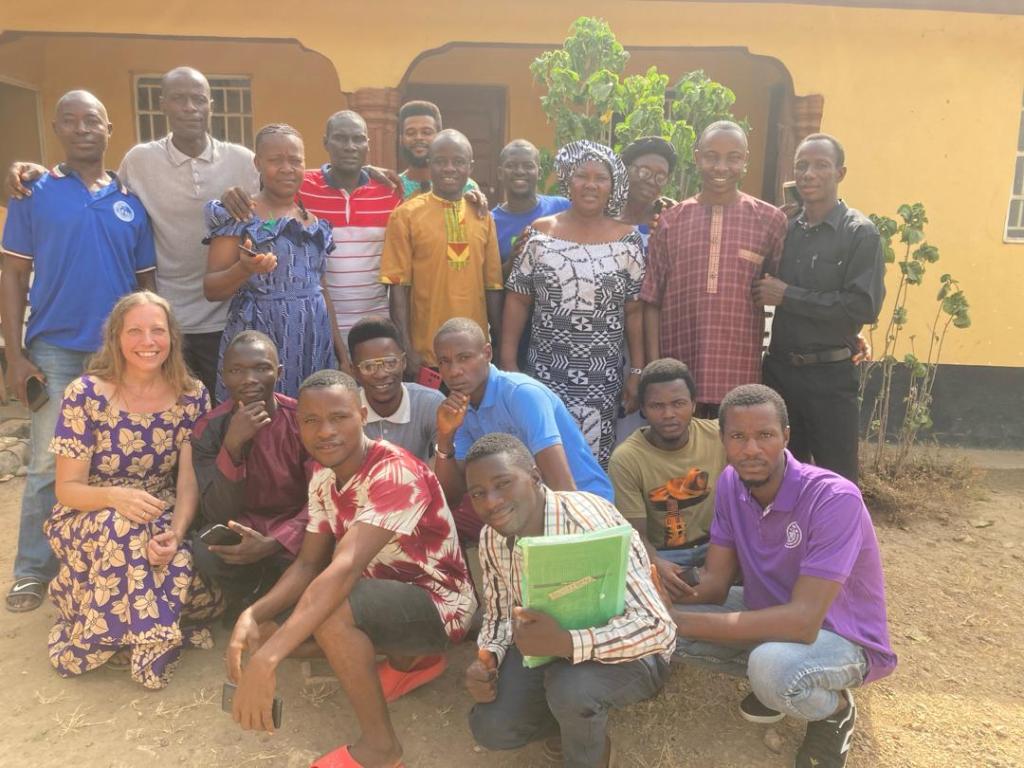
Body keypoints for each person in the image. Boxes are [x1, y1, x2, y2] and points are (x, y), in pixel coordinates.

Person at [226, 370, 476, 768]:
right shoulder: (324, 476)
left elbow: (342, 570)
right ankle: (411, 661)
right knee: (274, 630)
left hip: (440, 605)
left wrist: (268, 659)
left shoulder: (394, 472)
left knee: (330, 615)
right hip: (381, 593)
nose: (325, 431)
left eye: (339, 417)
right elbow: (308, 563)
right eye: (311, 420)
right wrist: (253, 615)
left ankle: (381, 749)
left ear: (361, 415)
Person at [670, 384, 896, 768]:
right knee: (656, 627)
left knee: (771, 668)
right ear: (722, 440)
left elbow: (803, 622)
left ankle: (833, 709)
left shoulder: (833, 498)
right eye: (738, 437)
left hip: (841, 634)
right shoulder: (730, 483)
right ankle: (777, 679)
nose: (751, 449)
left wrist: (679, 619)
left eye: (765, 435)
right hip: (771, 612)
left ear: (786, 436)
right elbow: (716, 583)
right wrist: (654, 595)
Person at [4, 68, 260, 398]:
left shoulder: (243, 162)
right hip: (162, 324)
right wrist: (40, 176)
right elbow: (97, 189)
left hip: (226, 317)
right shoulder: (139, 161)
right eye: (178, 99)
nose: (189, 108)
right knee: (166, 417)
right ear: (163, 104)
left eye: (198, 99)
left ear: (210, 105)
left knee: (221, 414)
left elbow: (273, 207)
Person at [1, 90, 157, 613]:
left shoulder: (131, 203)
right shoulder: (34, 192)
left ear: (109, 128)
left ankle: (92, 562)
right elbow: (13, 275)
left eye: (92, 120)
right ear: (57, 130)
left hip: (121, 354)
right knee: (49, 462)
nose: (82, 128)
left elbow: (146, 286)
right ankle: (31, 570)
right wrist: (15, 354)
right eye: (70, 121)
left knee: (116, 461)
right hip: (55, 351)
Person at [463, 433, 675, 767]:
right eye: (478, 493)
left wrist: (568, 643)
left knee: (572, 690)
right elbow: (500, 614)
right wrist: (488, 657)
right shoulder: (493, 536)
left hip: (630, 654)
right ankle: (572, 721)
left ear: (535, 477)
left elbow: (657, 628)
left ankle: (589, 751)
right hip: (545, 650)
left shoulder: (591, 523)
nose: (491, 502)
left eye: (503, 484)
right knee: (492, 729)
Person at [45, 291, 222, 688]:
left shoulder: (192, 395)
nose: (148, 342)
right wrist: (114, 497)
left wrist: (175, 532)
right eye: (135, 331)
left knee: (174, 559)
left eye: (157, 330)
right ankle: (150, 645)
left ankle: (123, 634)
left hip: (158, 510)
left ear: (172, 336)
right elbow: (67, 489)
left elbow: (187, 482)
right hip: (89, 512)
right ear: (116, 338)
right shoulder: (84, 395)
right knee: (119, 528)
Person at [501, 140, 645, 468]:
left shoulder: (628, 239)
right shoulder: (540, 233)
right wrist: (508, 362)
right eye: (582, 176)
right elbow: (518, 299)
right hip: (545, 372)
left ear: (613, 185)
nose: (591, 185)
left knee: (593, 462)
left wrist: (636, 370)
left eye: (601, 178)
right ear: (568, 180)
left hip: (601, 377)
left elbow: (634, 309)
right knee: (544, 458)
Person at [755, 134, 886, 483]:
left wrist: (789, 295)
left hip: (830, 377)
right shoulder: (787, 231)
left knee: (837, 480)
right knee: (782, 476)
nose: (809, 173)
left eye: (821, 165)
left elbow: (863, 306)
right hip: (780, 374)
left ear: (840, 173)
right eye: (802, 165)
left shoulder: (859, 233)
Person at [641, 121, 788, 418]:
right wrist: (655, 370)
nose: (721, 167)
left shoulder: (770, 221)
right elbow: (652, 300)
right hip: (679, 376)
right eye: (711, 156)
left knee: (734, 445)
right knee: (683, 449)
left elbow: (787, 291)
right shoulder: (671, 221)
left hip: (740, 373)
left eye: (733, 157)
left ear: (745, 161)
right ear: (697, 158)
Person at [203, 123, 343, 401]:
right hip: (261, 338)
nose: (287, 168)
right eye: (275, 160)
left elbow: (323, 291)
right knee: (261, 415)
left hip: (312, 337)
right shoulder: (240, 215)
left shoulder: (314, 223)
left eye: (295, 160)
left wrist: (342, 354)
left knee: (311, 412)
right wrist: (244, 269)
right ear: (257, 163)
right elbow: (211, 289)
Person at [432, 318, 613, 509]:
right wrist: (445, 436)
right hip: (527, 507)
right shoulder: (460, 409)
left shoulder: (522, 394)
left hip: (585, 506)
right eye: (444, 361)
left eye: (464, 358)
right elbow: (451, 499)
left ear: (487, 353)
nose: (454, 371)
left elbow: (562, 486)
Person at [190, 331, 309, 620]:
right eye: (236, 371)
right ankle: (251, 595)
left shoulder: (303, 419)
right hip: (243, 526)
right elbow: (217, 511)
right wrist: (232, 445)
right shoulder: (210, 428)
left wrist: (278, 540)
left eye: (261, 368)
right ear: (224, 377)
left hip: (297, 526)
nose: (249, 379)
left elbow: (324, 496)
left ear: (279, 372)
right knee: (205, 548)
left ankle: (276, 602)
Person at [380, 129, 503, 378]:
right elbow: (398, 288)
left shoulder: (483, 216)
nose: (449, 168)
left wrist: (500, 345)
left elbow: (493, 286)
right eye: (440, 161)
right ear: (429, 164)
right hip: (427, 353)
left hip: (474, 352)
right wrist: (406, 350)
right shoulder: (406, 215)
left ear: (470, 167)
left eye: (458, 162)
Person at [608, 359, 726, 596]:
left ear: (693, 404)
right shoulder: (626, 458)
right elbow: (636, 535)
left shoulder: (718, 436)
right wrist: (656, 564)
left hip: (718, 546)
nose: (669, 414)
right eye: (657, 406)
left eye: (678, 403)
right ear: (643, 409)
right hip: (663, 554)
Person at [349, 316, 444, 463]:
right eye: (368, 366)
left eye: (390, 363)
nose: (381, 374)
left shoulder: (430, 403)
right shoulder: (345, 410)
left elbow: (448, 464)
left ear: (404, 362)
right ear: (354, 371)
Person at [397, 100, 478, 200]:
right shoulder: (394, 187)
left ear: (440, 138)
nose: (418, 137)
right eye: (411, 133)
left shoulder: (467, 188)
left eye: (426, 132)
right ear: (401, 139)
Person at [617, 136, 678, 252]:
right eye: (644, 172)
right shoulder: (601, 214)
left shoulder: (667, 222)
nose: (651, 181)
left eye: (660, 177)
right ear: (625, 169)